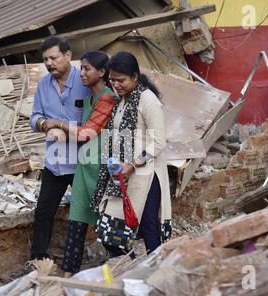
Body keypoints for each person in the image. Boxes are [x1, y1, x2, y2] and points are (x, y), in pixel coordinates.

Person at [90, 51, 173, 258]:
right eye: (112, 80)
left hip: (146, 176)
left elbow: (159, 142)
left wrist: (134, 165)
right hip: (122, 177)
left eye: (121, 80)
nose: (116, 85)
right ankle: (131, 266)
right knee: (110, 233)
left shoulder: (147, 100)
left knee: (149, 228)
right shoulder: (122, 100)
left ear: (134, 77)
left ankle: (157, 275)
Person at [43, 51, 115, 277]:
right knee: (77, 217)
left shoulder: (107, 97)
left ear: (101, 72)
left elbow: (86, 134)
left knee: (107, 223)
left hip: (102, 170)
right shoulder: (89, 99)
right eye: (81, 68)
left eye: (87, 69)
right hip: (85, 168)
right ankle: (68, 275)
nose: (82, 73)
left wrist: (58, 123)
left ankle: (127, 262)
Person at [28, 36, 90, 262]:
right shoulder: (44, 84)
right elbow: (34, 116)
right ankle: (38, 259)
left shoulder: (85, 81)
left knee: (84, 211)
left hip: (83, 161)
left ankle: (84, 258)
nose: (49, 63)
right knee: (44, 211)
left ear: (68, 56)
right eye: (45, 59)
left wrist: (63, 126)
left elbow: (94, 123)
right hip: (55, 161)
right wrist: (45, 125)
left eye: (53, 58)